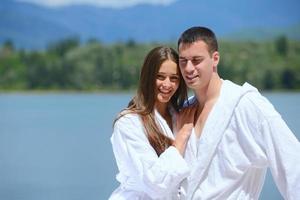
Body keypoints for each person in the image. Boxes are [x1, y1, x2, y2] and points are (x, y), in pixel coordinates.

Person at [177, 26, 300, 199]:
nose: (188, 68)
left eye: (196, 60)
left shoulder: (246, 105)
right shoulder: (184, 111)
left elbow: (292, 163)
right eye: (183, 61)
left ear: (215, 59)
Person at [109, 46, 196, 200]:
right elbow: (155, 184)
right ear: (147, 77)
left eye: (174, 78)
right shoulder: (128, 123)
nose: (167, 84)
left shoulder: (181, 116)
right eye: (160, 76)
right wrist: (181, 137)